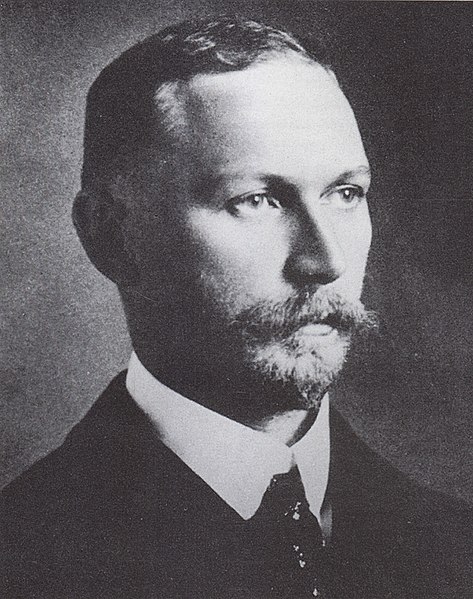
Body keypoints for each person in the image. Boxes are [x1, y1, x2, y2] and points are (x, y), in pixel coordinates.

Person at [2, 16, 471, 599]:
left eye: (346, 193)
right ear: (111, 235)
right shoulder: (24, 561)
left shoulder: (455, 547)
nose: (326, 262)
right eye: (257, 200)